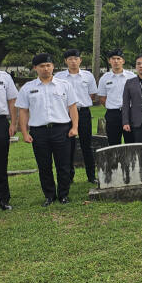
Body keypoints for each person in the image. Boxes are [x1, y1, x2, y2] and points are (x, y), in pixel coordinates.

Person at [16, 54, 78, 206]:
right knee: (44, 166)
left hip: (61, 129)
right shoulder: (28, 88)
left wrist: (74, 127)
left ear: (53, 66)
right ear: (35, 68)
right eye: (42, 66)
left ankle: (63, 195)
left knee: (63, 165)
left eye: (48, 65)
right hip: (39, 132)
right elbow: (23, 111)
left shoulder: (64, 85)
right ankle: (49, 195)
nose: (46, 68)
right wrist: (24, 132)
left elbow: (72, 107)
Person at [55, 49, 98, 184]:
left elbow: (91, 95)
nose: (73, 61)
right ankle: (69, 176)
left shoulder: (88, 76)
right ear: (65, 61)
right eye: (70, 59)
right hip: (65, 114)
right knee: (68, 146)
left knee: (87, 145)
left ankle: (91, 176)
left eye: (75, 58)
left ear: (80, 60)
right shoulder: (59, 77)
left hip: (83, 112)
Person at [97, 49, 136, 145]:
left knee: (131, 143)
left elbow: (136, 96)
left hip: (129, 113)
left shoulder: (131, 76)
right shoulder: (105, 78)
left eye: (118, 58)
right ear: (109, 61)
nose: (116, 61)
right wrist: (112, 106)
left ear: (123, 61)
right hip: (112, 114)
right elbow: (102, 97)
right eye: (113, 59)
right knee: (113, 143)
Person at [0, 68, 17, 210]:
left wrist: (14, 123)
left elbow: (12, 101)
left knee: (1, 161)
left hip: (0, 122)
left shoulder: (4, 77)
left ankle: (3, 198)